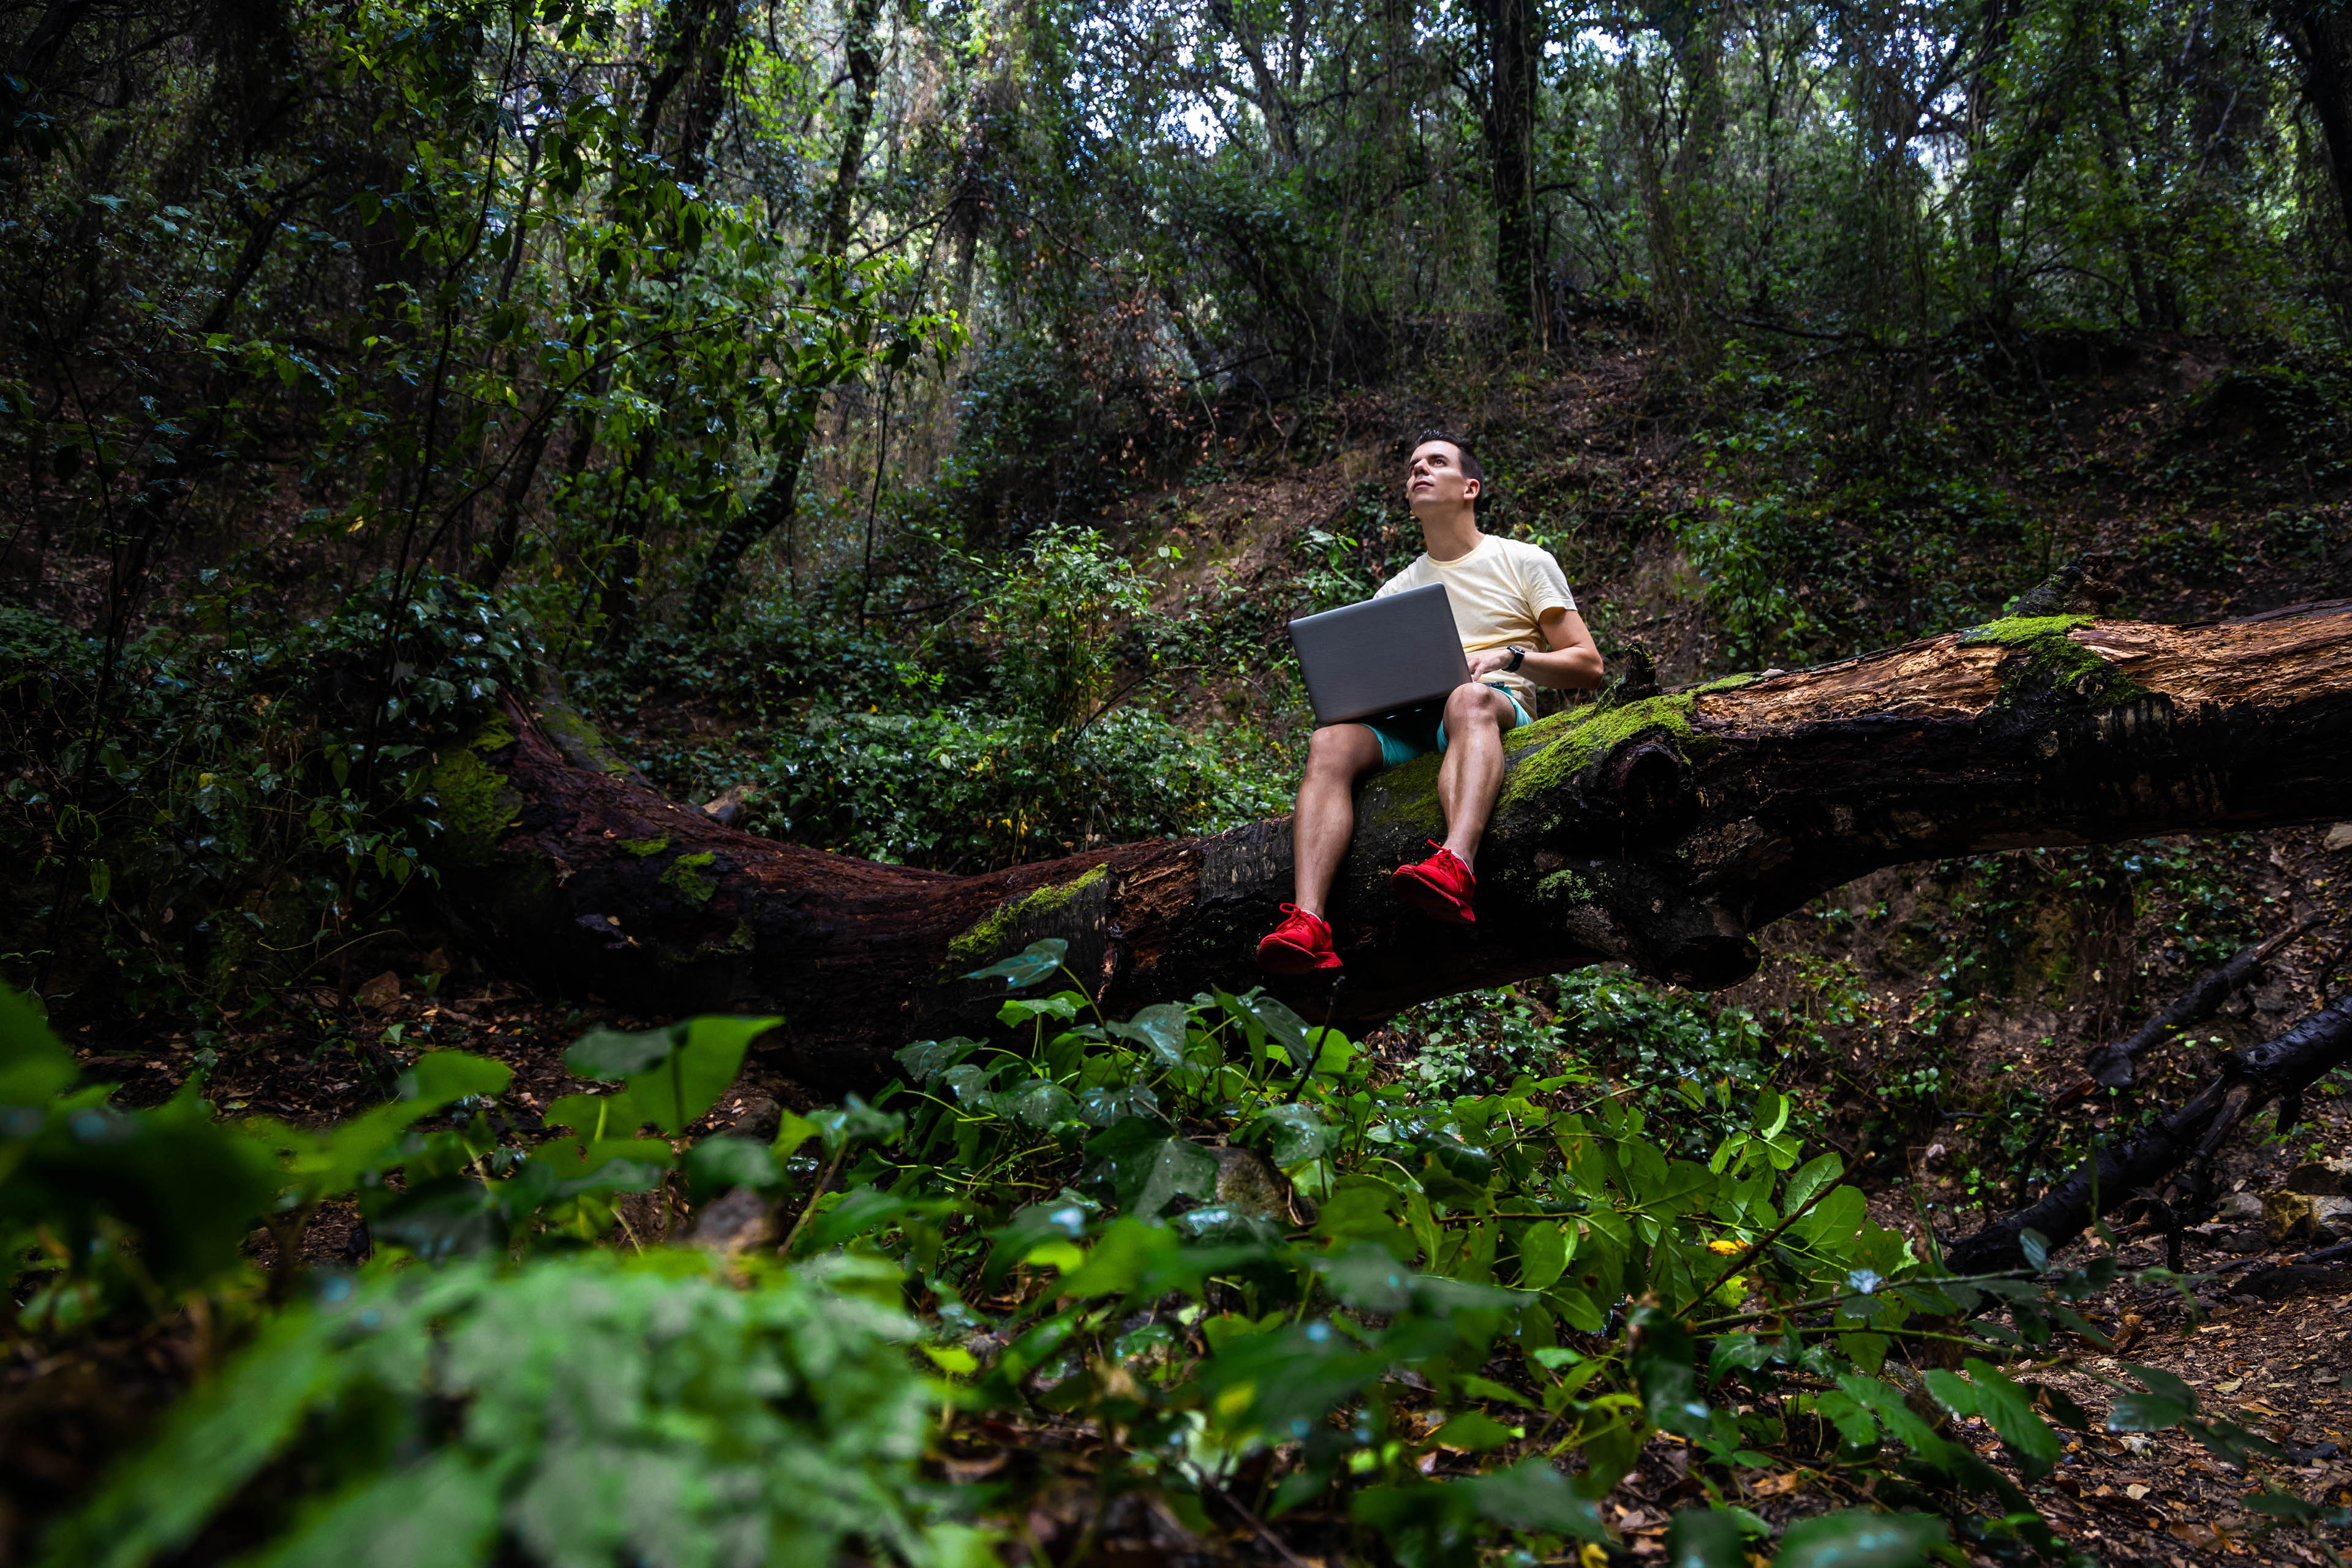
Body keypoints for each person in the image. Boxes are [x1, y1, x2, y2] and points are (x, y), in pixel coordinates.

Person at [1258, 434, 1604, 973]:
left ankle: (1456, 866)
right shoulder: (1397, 590)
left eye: (1435, 462)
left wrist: (1510, 658)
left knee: (1467, 697)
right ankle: (1309, 922)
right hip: (1409, 719)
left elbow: (1588, 665)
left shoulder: (1523, 561)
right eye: (1413, 465)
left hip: (1488, 703)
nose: (1419, 470)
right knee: (1328, 742)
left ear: (1471, 488)